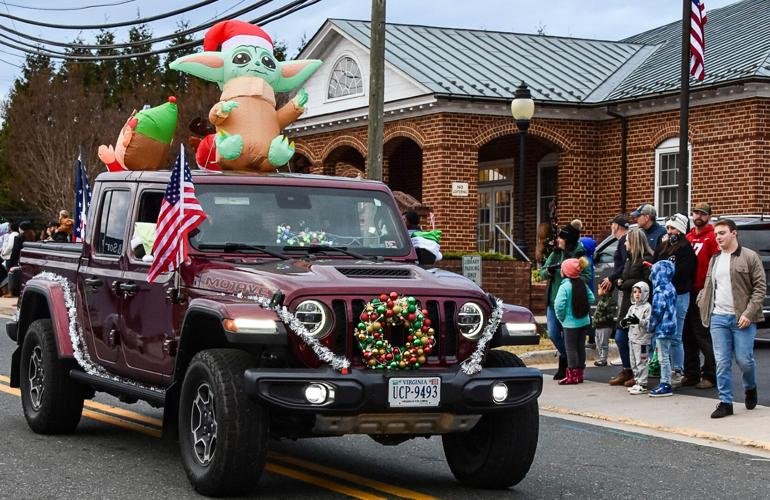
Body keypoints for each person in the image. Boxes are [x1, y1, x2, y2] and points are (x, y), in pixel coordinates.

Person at [696, 218, 766, 418]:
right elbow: (709, 286)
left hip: (742, 318)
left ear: (734, 233)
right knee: (722, 361)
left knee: (744, 360)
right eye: (716, 234)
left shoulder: (750, 257)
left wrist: (748, 313)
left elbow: (760, 288)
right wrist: (702, 301)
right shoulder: (715, 259)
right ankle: (725, 402)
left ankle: (750, 387)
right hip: (718, 317)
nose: (718, 237)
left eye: (722, 233)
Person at [541, 221, 591, 380]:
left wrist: (570, 274)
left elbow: (587, 276)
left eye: (561, 238)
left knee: (572, 339)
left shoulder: (580, 255)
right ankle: (567, 358)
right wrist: (548, 271)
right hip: (554, 299)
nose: (558, 240)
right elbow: (542, 273)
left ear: (568, 240)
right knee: (554, 334)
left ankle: (572, 367)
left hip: (572, 301)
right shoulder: (555, 253)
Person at [653, 213, 696, 389]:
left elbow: (683, 273)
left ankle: (678, 370)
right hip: (663, 294)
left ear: (680, 230)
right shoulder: (664, 246)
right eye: (668, 228)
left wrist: (666, 273)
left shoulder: (686, 248)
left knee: (676, 336)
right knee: (664, 334)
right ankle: (668, 368)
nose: (669, 231)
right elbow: (655, 263)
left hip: (679, 294)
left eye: (672, 228)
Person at [608, 228, 653, 387]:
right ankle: (627, 369)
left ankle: (639, 373)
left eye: (627, 241)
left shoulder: (646, 260)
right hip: (627, 305)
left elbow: (646, 284)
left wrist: (625, 283)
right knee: (621, 337)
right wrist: (621, 282)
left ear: (634, 242)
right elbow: (622, 279)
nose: (625, 243)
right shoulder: (628, 260)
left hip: (640, 308)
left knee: (638, 343)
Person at [683, 202, 719, 389]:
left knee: (702, 334)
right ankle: (691, 373)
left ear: (709, 217)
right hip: (687, 291)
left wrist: (710, 289)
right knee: (687, 334)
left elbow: (716, 265)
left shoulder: (713, 237)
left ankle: (711, 375)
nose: (698, 216)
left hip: (703, 292)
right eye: (696, 213)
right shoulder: (688, 237)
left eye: (703, 214)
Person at [554, 257, 595, 385]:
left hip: (570, 324)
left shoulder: (564, 287)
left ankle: (571, 375)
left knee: (570, 348)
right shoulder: (582, 283)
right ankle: (580, 374)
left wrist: (562, 318)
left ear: (566, 272)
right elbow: (592, 298)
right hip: (583, 321)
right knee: (580, 347)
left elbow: (559, 305)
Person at [648, 260, 678, 397]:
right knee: (666, 354)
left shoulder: (659, 291)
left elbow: (656, 312)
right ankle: (666, 380)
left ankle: (665, 383)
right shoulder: (671, 287)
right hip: (671, 326)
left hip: (662, 328)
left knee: (663, 357)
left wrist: (650, 326)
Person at [619, 281, 652, 395]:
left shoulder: (647, 307)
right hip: (632, 339)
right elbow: (627, 319)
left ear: (645, 293)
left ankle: (643, 383)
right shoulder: (632, 308)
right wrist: (624, 322)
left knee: (641, 361)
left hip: (642, 341)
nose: (637, 294)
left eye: (640, 292)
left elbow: (649, 323)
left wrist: (639, 321)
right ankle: (637, 381)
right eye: (635, 292)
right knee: (633, 362)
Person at [599, 215, 629, 292]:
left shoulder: (623, 241)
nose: (611, 227)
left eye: (612, 224)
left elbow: (625, 263)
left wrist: (611, 278)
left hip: (623, 282)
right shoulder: (625, 240)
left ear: (616, 226)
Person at [592, 280, 618, 366]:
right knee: (598, 342)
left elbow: (611, 315)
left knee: (604, 343)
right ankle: (601, 358)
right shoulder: (602, 300)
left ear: (605, 289)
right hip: (598, 326)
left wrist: (599, 320)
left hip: (605, 326)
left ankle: (603, 359)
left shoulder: (610, 301)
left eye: (599, 288)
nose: (598, 290)